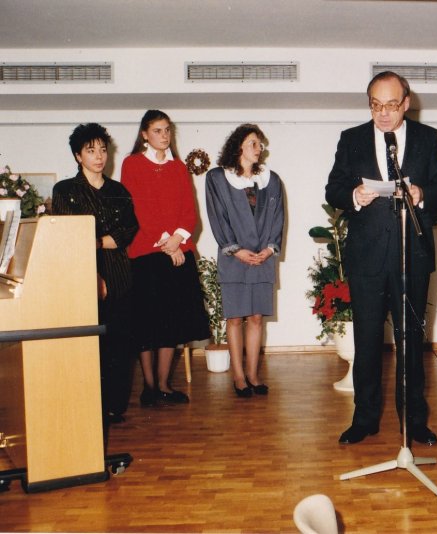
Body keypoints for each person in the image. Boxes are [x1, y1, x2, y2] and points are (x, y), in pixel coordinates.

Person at [326, 71, 437, 445]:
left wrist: (420, 192)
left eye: (391, 105)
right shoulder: (351, 139)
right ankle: (364, 419)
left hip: (411, 256)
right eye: (375, 105)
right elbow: (333, 188)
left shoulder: (427, 138)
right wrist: (354, 195)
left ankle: (414, 420)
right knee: (367, 341)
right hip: (366, 258)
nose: (383, 113)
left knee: (410, 341)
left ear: (406, 103)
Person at [121, 109, 210, 407]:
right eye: (158, 130)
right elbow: (138, 209)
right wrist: (167, 244)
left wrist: (177, 240)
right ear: (145, 134)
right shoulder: (132, 164)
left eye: (167, 130)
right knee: (147, 324)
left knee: (172, 323)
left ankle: (163, 386)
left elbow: (189, 211)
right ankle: (148, 388)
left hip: (178, 252)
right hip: (147, 254)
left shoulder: (178, 168)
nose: (164, 135)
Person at [53, 123, 139, 426]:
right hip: (83, 276)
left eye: (103, 149)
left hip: (120, 275)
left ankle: (115, 407)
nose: (99, 156)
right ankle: (91, 406)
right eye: (91, 151)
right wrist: (94, 265)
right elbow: (71, 235)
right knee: (90, 346)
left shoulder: (118, 191)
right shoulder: (65, 190)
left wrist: (99, 241)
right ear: (78, 156)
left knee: (120, 344)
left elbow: (128, 230)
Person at [205, 124, 284, 398]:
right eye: (253, 143)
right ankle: (238, 377)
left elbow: (278, 217)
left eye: (260, 144)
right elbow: (217, 217)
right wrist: (235, 249)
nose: (258, 148)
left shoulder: (271, 180)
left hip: (263, 258)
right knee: (235, 318)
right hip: (234, 258)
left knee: (256, 318)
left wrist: (270, 249)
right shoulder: (217, 178)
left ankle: (253, 374)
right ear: (238, 146)